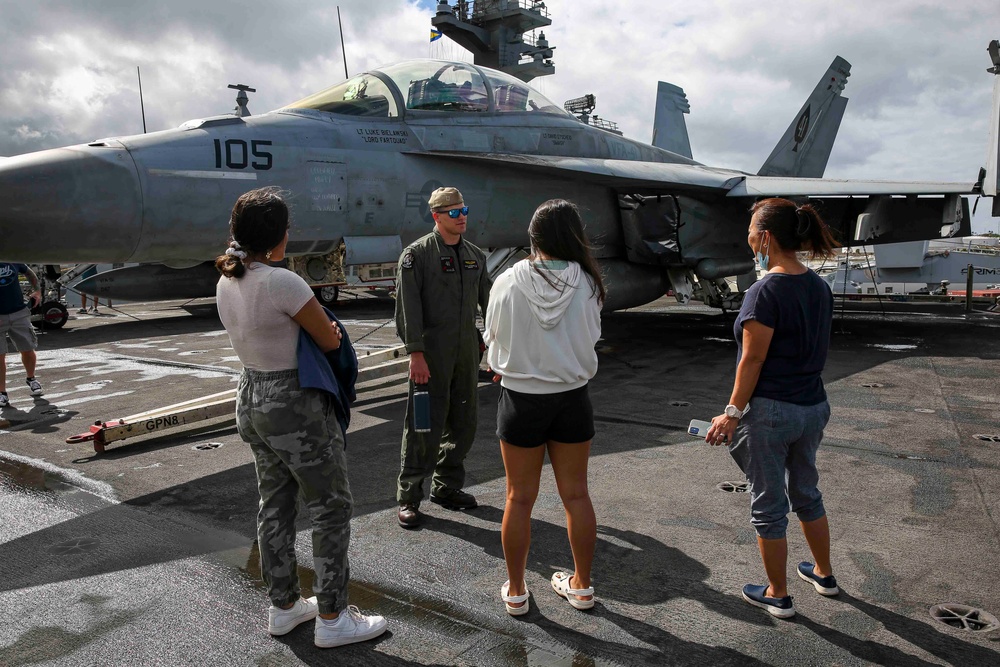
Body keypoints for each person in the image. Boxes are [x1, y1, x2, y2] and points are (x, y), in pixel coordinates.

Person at [215, 187, 386, 648]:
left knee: (275, 505)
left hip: (251, 393)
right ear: (278, 237)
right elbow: (329, 341)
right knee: (331, 506)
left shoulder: (227, 280)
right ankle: (333, 617)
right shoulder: (281, 282)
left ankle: (285, 606)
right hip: (294, 399)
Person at [705, 197, 840, 619]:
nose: (746, 237)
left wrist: (731, 412)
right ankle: (823, 574)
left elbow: (753, 359)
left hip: (772, 412)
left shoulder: (764, 291)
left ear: (765, 237)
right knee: (806, 492)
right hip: (813, 407)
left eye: (750, 230)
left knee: (768, 504)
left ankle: (778, 594)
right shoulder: (818, 285)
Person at [483, 199, 604, 615]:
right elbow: (591, 336)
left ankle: (516, 590)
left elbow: (492, 337)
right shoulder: (588, 283)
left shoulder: (507, 281)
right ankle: (582, 586)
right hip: (572, 398)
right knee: (576, 495)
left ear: (532, 238)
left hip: (520, 398)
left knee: (518, 499)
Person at [394, 186, 492, 528]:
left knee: (464, 424)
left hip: (466, 354)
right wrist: (415, 354)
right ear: (436, 216)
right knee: (423, 425)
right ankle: (409, 497)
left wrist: (497, 345)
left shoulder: (475, 256)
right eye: (453, 212)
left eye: (464, 210)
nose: (461, 216)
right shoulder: (416, 256)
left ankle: (447, 487)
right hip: (430, 357)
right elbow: (408, 309)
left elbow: (491, 305)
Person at [0, 262, 44, 408]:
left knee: (27, 349)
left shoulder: (12, 257)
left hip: (19, 313)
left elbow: (29, 273)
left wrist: (37, 291)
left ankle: (31, 378)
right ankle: (2, 393)